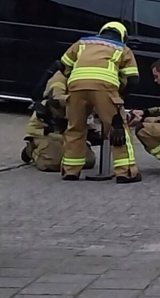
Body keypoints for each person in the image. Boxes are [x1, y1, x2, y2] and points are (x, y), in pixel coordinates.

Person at [40, 21, 141, 182]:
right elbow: (134, 79)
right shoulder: (123, 49)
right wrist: (119, 95)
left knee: (75, 129)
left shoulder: (82, 43)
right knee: (117, 129)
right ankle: (126, 172)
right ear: (122, 36)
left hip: (76, 87)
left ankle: (70, 171)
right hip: (105, 88)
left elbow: (64, 65)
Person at [21, 70, 97, 172]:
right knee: (51, 163)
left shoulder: (91, 81)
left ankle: (61, 150)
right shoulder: (60, 77)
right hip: (47, 129)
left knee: (88, 161)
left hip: (70, 131)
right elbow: (56, 97)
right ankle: (31, 150)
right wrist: (74, 103)